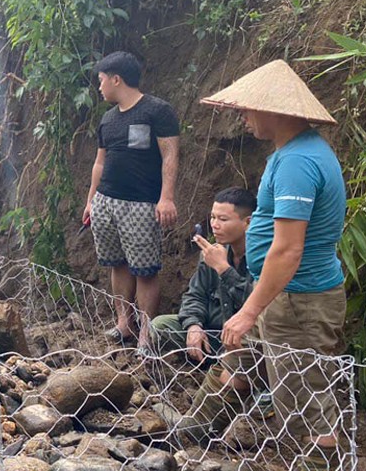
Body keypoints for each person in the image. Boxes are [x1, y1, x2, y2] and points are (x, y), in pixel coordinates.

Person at [201, 60, 346, 467]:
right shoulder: (292, 153)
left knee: (303, 401)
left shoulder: (299, 162)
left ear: (273, 109)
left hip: (299, 301)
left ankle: (317, 464)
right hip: (281, 295)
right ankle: (192, 433)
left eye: (248, 108)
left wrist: (249, 311)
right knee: (238, 362)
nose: (243, 118)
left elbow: (288, 250)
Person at [82, 51, 180, 348]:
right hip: (105, 202)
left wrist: (166, 198)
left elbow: (170, 155)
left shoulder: (157, 111)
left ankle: (147, 335)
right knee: (117, 263)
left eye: (101, 80)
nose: (99, 87)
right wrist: (91, 201)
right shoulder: (108, 118)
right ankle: (124, 323)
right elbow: (100, 162)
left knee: (145, 270)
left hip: (141, 204)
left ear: (116, 79)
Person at [150, 187, 260, 441]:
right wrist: (193, 325)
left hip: (245, 342)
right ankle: (205, 365)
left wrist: (223, 269)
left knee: (247, 353)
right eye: (212, 217)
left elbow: (257, 302)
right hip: (212, 335)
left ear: (247, 222)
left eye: (223, 219)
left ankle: (249, 391)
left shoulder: (260, 256)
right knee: (160, 326)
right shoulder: (213, 252)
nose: (215, 225)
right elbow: (194, 295)